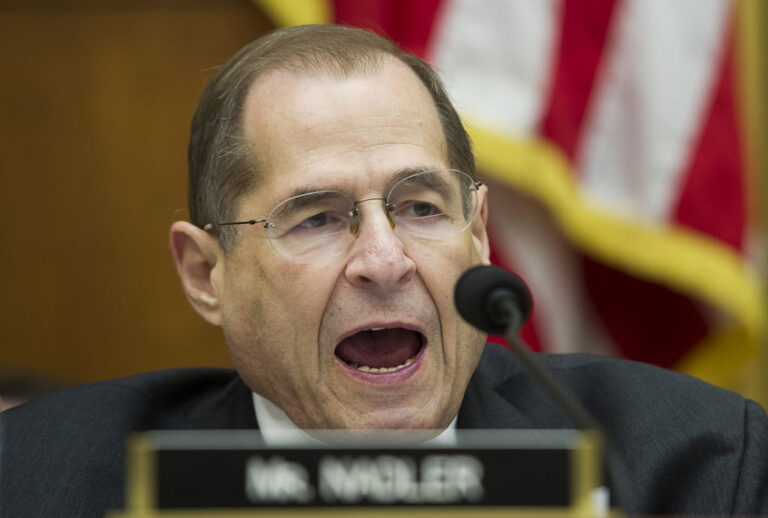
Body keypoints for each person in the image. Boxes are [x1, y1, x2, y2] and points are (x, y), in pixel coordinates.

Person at [1, 24, 767, 517]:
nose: (383, 260)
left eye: (423, 208)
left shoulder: (693, 470)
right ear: (208, 274)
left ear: (480, 235)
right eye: (317, 217)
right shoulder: (39, 481)